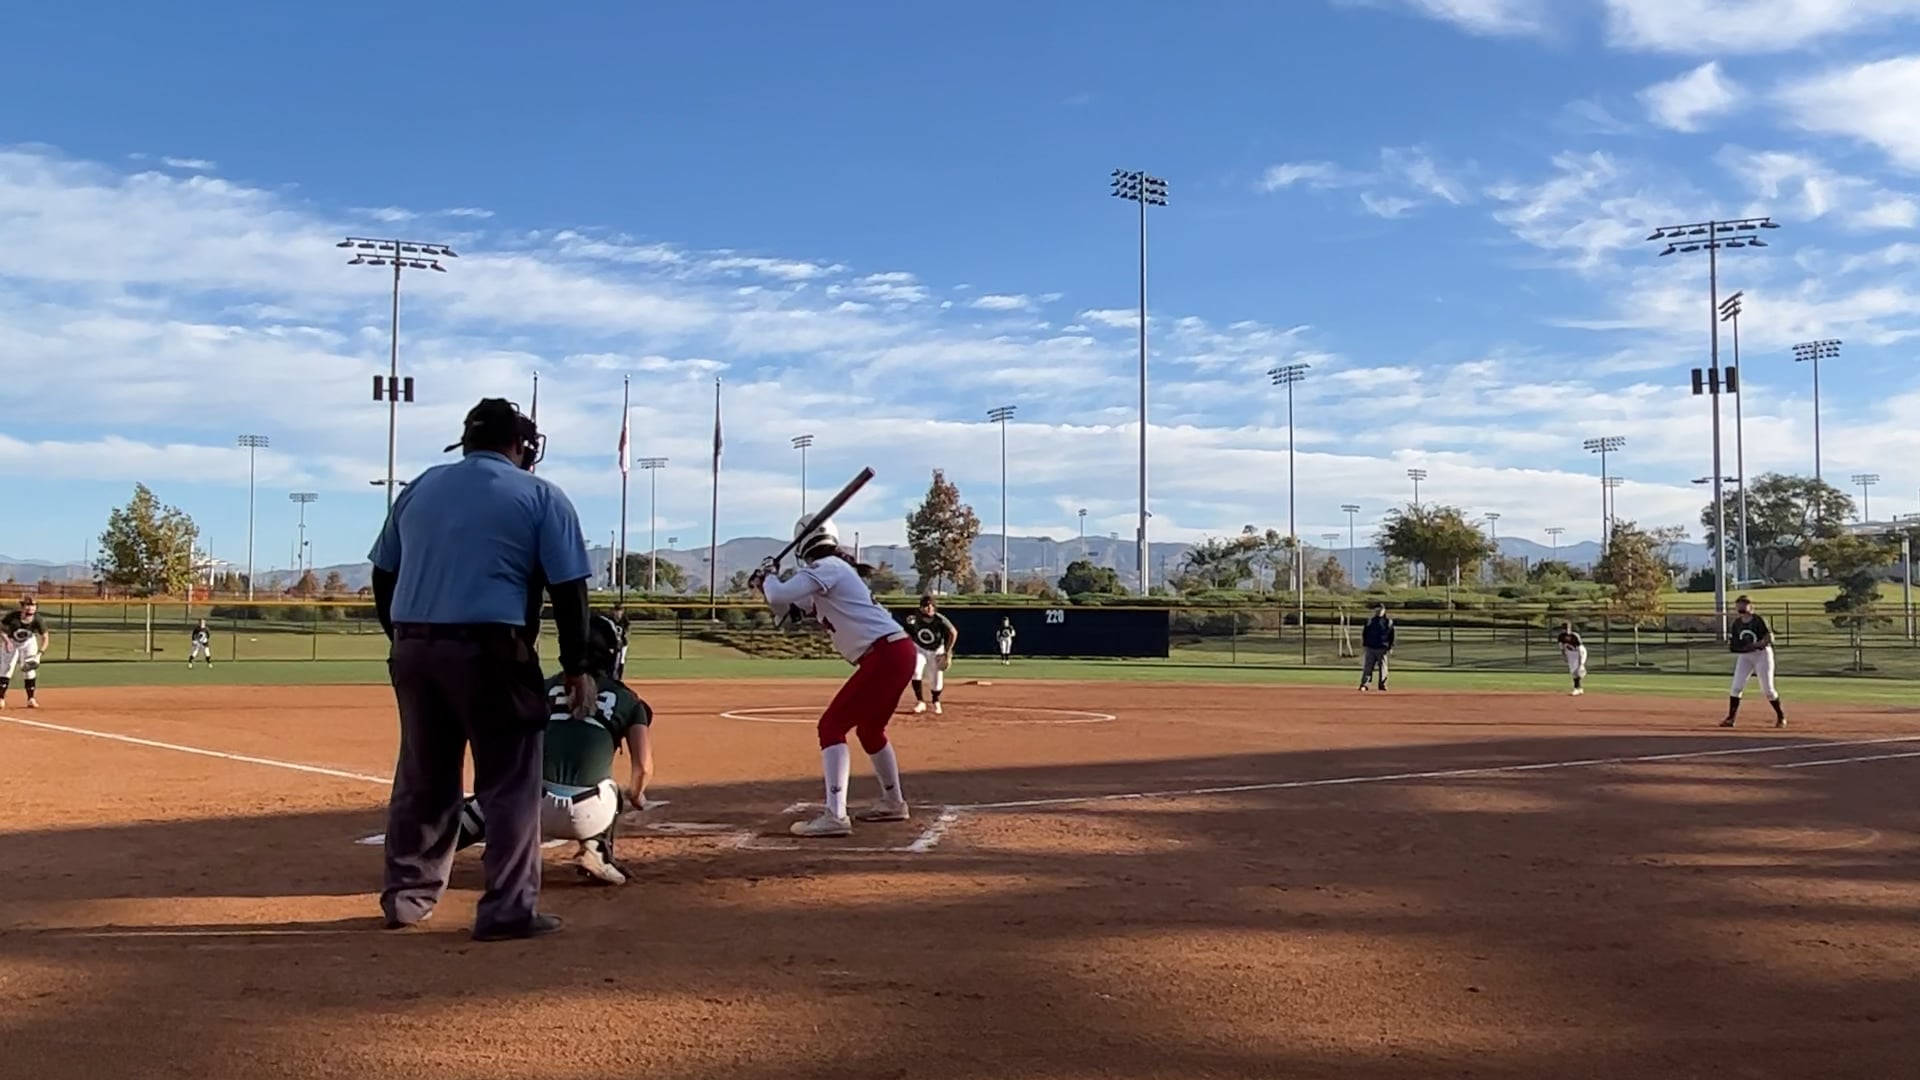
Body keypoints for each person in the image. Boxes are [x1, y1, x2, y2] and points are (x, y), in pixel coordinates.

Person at [369, 397, 595, 942]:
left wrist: (403, 638)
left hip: (415, 647)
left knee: (423, 777)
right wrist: (577, 666)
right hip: (493, 650)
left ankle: (407, 899)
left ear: (466, 443)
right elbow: (569, 590)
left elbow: (383, 574)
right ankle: (507, 911)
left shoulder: (420, 487)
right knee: (510, 783)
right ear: (520, 446)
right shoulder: (540, 495)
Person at [453, 613, 652, 886]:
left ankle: (433, 846)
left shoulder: (544, 687)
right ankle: (596, 850)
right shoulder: (629, 700)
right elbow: (643, 768)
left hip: (531, 807)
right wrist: (637, 795)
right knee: (612, 789)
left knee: (497, 792)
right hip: (592, 814)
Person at [752, 516, 915, 837]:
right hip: (895, 652)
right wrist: (764, 584)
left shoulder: (828, 567)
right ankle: (894, 802)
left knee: (831, 726)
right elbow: (787, 611)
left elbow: (780, 595)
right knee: (870, 730)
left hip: (885, 654)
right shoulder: (828, 573)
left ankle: (836, 816)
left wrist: (770, 576)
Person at [1724, 595, 1786, 729]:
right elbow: (1734, 642)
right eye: (1739, 604)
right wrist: (1740, 646)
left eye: (1744, 604)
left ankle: (1781, 716)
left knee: (1768, 690)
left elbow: (1770, 638)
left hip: (1762, 654)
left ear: (1751, 606)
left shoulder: (1758, 620)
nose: (1740, 607)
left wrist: (1757, 644)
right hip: (1745, 656)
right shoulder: (1737, 623)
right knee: (1736, 687)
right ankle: (1731, 718)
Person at [901, 594, 957, 714]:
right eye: (926, 605)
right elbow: (905, 630)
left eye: (932, 605)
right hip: (919, 648)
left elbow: (953, 632)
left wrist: (947, 652)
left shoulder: (939, 620)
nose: (929, 608)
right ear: (921, 607)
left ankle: (936, 701)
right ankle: (920, 702)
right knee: (915, 671)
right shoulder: (914, 617)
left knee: (936, 680)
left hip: (936, 650)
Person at [1, 596, 50, 710]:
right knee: (7, 668)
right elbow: (1, 629)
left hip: (28, 642)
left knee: (29, 670)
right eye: (28, 605)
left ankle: (30, 699)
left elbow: (46, 638)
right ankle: (1, 698)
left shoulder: (37, 619)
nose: (31, 608)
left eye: (33, 605)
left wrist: (39, 654)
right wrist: (7, 641)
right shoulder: (13, 617)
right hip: (12, 641)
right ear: (22, 607)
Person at [1358, 603, 1394, 692]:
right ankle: (1365, 684)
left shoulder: (1388, 622)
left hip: (1382, 647)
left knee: (1383, 668)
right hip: (1371, 647)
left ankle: (1383, 685)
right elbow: (1365, 633)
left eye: (1381, 610)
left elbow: (1391, 635)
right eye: (1377, 610)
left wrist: (1390, 646)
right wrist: (1365, 644)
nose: (1379, 611)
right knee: (1368, 667)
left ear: (1384, 611)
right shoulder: (1370, 621)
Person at [1558, 621, 1587, 696]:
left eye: (1568, 628)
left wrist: (1581, 663)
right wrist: (1564, 656)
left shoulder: (1574, 636)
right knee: (1574, 672)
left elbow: (1580, 650)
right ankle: (1580, 689)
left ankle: (1576, 689)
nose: (1567, 630)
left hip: (1579, 652)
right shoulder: (1561, 636)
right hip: (1570, 654)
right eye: (1565, 628)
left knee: (1577, 671)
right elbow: (1562, 648)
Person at [608, 604, 632, 679]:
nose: (618, 613)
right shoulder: (610, 620)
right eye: (616, 611)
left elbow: (627, 631)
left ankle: (619, 677)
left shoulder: (624, 620)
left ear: (622, 612)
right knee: (612, 660)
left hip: (623, 643)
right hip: (613, 643)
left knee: (621, 659)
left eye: (620, 611)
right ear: (614, 612)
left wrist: (625, 636)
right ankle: (611, 676)